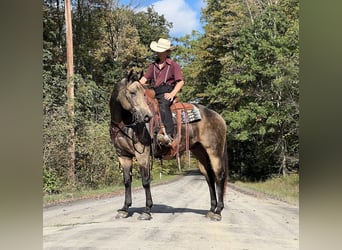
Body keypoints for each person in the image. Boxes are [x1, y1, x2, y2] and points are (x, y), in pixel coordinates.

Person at [139, 38, 184, 146]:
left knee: (163, 105)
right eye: (158, 50)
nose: (158, 52)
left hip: (167, 90)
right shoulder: (152, 66)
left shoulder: (173, 65)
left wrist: (172, 94)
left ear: (167, 52)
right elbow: (143, 80)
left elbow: (181, 82)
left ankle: (169, 136)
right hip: (155, 91)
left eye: (161, 50)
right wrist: (135, 85)